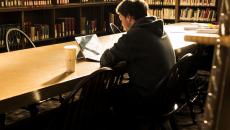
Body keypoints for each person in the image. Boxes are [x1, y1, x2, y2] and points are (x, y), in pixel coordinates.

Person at [100, 0, 176, 129]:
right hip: (168, 95)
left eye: (121, 18)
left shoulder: (135, 35)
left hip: (150, 99)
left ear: (129, 17)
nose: (121, 23)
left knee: (103, 96)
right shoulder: (159, 29)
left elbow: (106, 60)